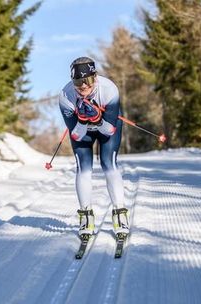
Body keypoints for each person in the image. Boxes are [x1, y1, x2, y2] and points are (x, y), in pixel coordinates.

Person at [58, 56, 129, 239]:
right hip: (82, 130)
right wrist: (83, 119)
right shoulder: (66, 97)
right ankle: (86, 216)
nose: (83, 86)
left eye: (87, 80)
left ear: (95, 77)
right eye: (78, 82)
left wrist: (97, 118)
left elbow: (108, 129)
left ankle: (120, 213)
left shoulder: (109, 90)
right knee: (83, 168)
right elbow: (76, 134)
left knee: (108, 163)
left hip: (106, 125)